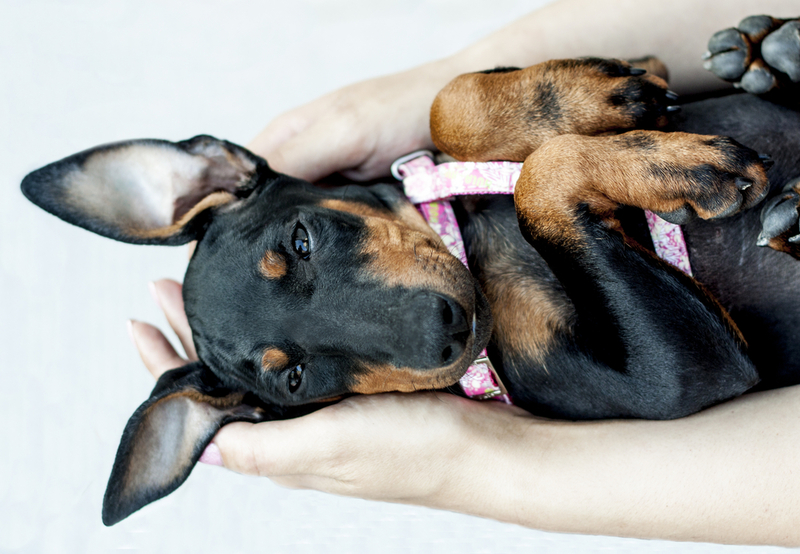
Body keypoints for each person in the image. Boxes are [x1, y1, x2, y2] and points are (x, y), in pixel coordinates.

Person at [129, 0, 800, 546]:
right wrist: (563, 192)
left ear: (246, 179)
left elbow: (641, 86)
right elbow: (697, 373)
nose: (420, 321)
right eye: (296, 374)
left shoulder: (450, 158)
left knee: (466, 112)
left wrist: (465, 100)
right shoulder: (513, 369)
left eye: (302, 243)